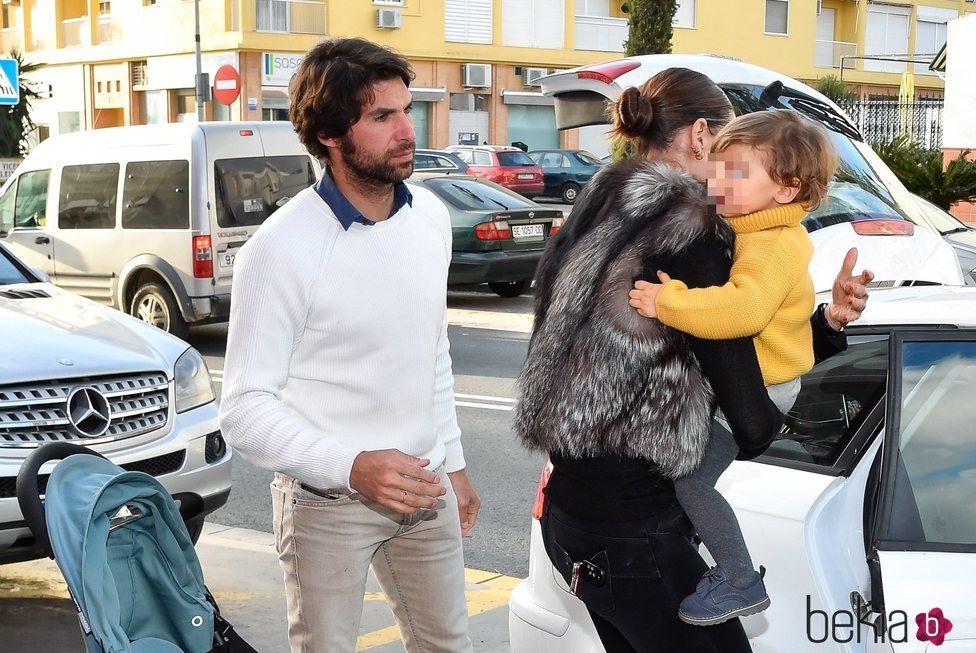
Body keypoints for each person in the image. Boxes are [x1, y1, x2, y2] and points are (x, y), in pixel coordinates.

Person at [514, 67, 872, 653]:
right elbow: (750, 413)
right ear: (702, 136)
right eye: (728, 153)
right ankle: (738, 578)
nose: (724, 176)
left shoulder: (598, 205)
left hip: (570, 507)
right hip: (635, 525)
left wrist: (824, 322)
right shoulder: (692, 230)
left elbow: (727, 333)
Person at [219, 37, 480, 653]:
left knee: (449, 647)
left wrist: (456, 462)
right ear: (331, 135)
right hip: (326, 502)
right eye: (382, 117)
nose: (406, 130)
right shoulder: (279, 248)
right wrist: (352, 466)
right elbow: (244, 408)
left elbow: (430, 353)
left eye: (407, 110)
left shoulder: (430, 219)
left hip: (425, 484)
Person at [626, 109, 838, 626]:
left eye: (738, 173)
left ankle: (740, 578)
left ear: (786, 189)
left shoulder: (770, 244)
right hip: (759, 380)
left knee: (694, 484)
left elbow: (742, 311)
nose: (719, 181)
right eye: (718, 168)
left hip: (764, 388)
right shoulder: (758, 226)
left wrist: (667, 302)